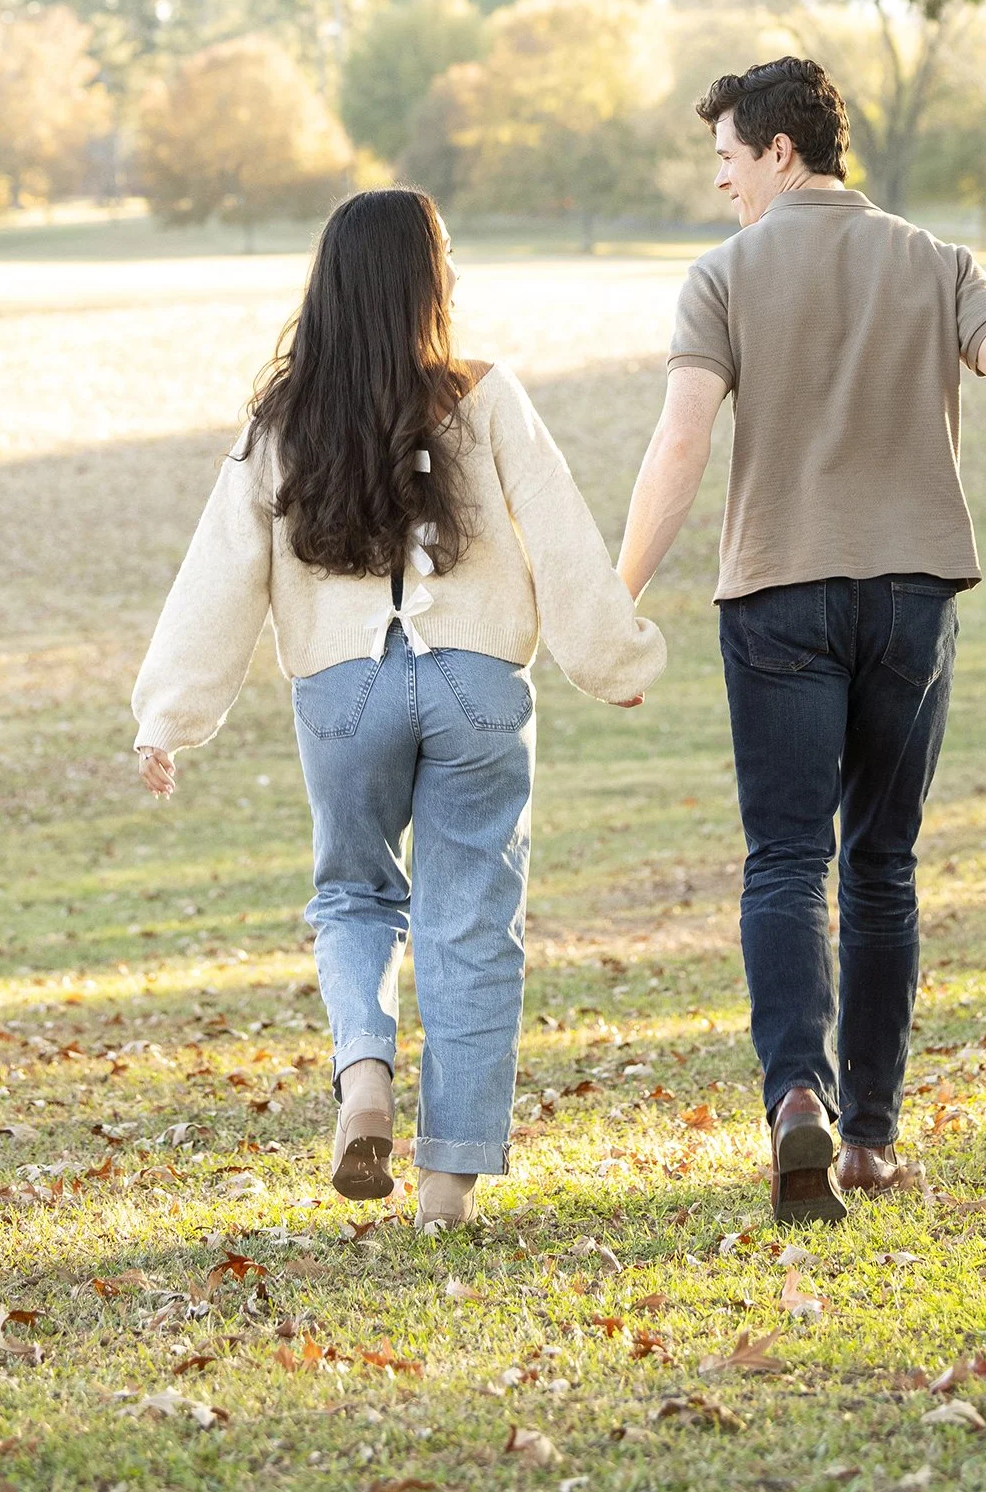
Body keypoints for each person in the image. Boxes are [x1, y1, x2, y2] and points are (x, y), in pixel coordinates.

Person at [131, 187, 663, 1230]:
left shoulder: (282, 419)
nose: (456, 271)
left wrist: (167, 716)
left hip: (342, 691)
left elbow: (221, 567)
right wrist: (609, 656)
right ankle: (446, 1186)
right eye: (445, 254)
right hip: (475, 686)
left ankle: (365, 1077)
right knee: (471, 924)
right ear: (420, 279)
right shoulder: (485, 394)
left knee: (352, 898)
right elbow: (559, 530)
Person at [616, 57, 986, 1225]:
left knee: (784, 859)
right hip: (912, 598)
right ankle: (867, 1142)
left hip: (776, 595)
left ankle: (795, 1098)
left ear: (778, 149)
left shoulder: (721, 277)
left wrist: (618, 595)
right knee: (881, 864)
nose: (719, 179)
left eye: (727, 156)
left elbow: (680, 445)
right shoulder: (936, 262)